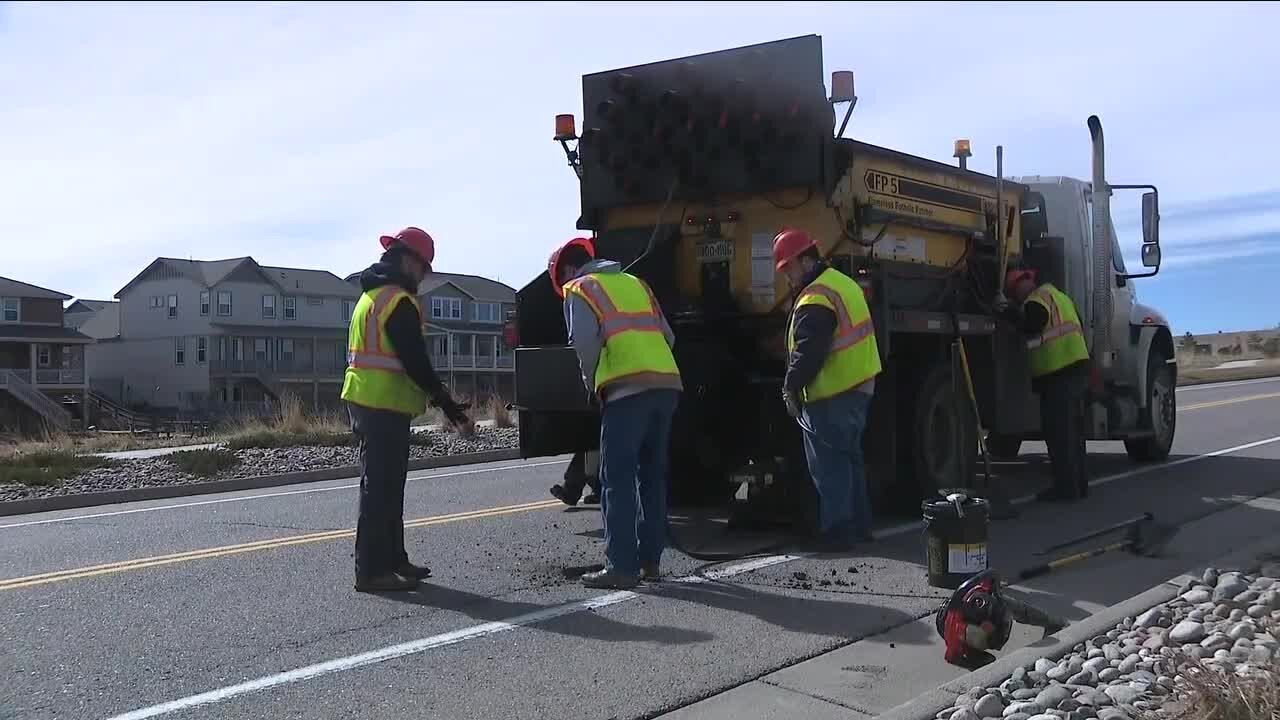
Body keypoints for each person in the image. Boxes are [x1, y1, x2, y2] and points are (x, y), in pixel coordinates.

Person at [342, 226, 473, 593]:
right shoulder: (396, 301)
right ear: (407, 260)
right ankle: (371, 571)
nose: (424, 276)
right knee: (379, 488)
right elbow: (414, 360)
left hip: (373, 401)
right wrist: (445, 401)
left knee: (388, 485)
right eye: (424, 268)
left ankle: (394, 559)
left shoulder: (373, 297)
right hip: (379, 403)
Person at [550, 236, 683, 589]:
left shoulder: (579, 289)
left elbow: (585, 345)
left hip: (626, 392)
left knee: (617, 479)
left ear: (567, 270)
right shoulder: (636, 283)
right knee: (651, 476)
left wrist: (594, 383)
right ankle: (650, 562)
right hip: (666, 386)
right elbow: (668, 337)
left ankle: (621, 567)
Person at [773, 228, 881, 552]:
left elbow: (809, 351)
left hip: (832, 392)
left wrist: (790, 388)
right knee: (849, 461)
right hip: (859, 386)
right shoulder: (842, 283)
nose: (787, 277)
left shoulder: (815, 296)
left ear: (805, 261)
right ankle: (860, 527)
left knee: (828, 467)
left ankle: (837, 533)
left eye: (788, 268)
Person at [1003, 269, 1091, 503]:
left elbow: (1032, 323)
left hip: (1058, 373)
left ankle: (1066, 489)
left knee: (1059, 435)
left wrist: (1009, 314)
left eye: (1014, 292)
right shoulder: (1059, 295)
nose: (1016, 297)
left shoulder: (1036, 301)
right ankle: (1079, 485)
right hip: (1077, 368)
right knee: (1074, 433)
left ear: (1024, 284)